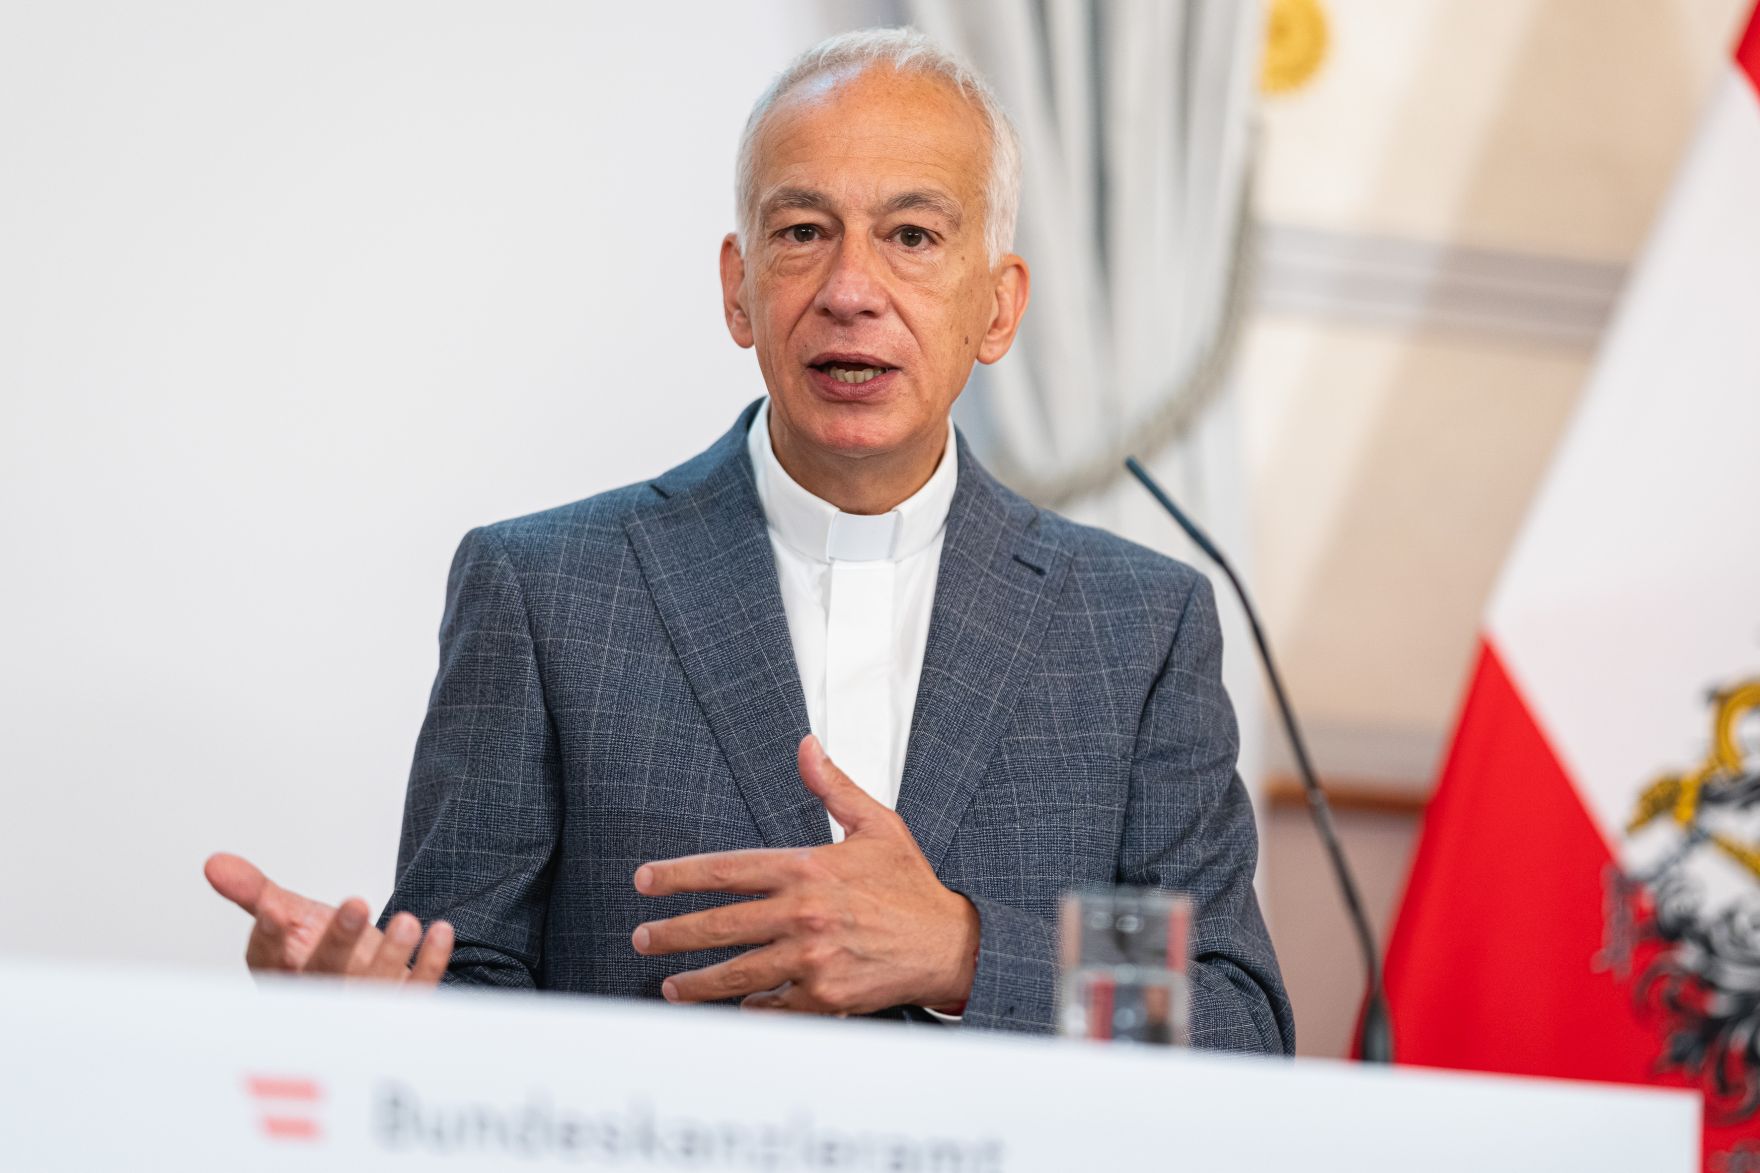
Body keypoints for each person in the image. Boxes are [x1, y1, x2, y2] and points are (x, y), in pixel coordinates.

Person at [206, 27, 1295, 1051]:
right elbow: (467, 985)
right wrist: (370, 1015)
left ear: (997, 308)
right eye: (801, 233)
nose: (850, 290)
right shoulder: (544, 590)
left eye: (911, 236)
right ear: (739, 288)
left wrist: (963, 951)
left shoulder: (1135, 623)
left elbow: (1231, 1012)